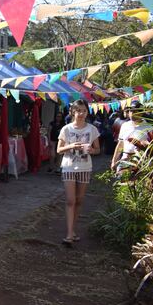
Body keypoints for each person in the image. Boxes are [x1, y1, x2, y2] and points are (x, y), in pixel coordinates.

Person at [57, 99, 100, 246]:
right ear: (72, 112)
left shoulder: (92, 129)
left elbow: (98, 149)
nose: (81, 113)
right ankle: (69, 234)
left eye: (83, 111)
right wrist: (71, 146)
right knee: (70, 200)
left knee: (79, 200)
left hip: (85, 167)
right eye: (78, 111)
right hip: (69, 167)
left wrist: (92, 150)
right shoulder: (66, 129)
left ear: (87, 112)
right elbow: (58, 150)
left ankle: (73, 230)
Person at [111, 100, 153, 174]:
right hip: (124, 160)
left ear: (141, 113)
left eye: (135, 111)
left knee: (138, 184)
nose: (132, 113)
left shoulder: (149, 127)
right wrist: (114, 161)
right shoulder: (124, 125)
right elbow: (120, 144)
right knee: (122, 183)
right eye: (130, 111)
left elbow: (152, 148)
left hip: (140, 162)